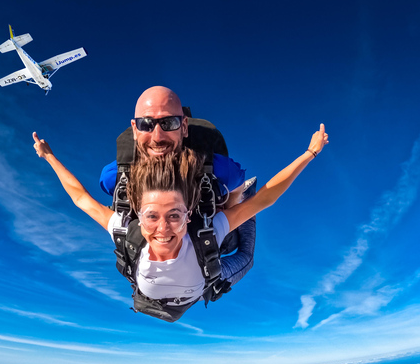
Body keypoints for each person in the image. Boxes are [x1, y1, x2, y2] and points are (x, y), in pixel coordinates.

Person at [32, 123, 329, 321]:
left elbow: (82, 199)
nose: (163, 229)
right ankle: (238, 191)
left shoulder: (182, 232)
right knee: (245, 256)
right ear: (139, 213)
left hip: (194, 269)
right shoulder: (197, 233)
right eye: (151, 216)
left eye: (174, 215)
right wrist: (49, 158)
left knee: (246, 208)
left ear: (189, 215)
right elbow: (264, 199)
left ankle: (233, 194)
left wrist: (310, 153)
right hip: (207, 280)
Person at [100, 86, 255, 289]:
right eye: (146, 124)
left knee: (241, 241)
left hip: (202, 233)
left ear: (183, 127)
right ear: (135, 129)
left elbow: (238, 185)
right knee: (241, 255)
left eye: (168, 123)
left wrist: (224, 210)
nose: (157, 137)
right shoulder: (115, 177)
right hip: (174, 244)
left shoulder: (218, 170)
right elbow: (240, 186)